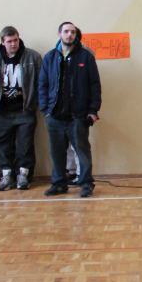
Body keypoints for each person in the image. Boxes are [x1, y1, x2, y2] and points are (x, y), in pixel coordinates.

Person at [38, 21, 101, 198]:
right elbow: (42, 84)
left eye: (72, 32)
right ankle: (59, 183)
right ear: (59, 34)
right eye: (66, 31)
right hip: (54, 116)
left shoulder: (85, 57)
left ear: (76, 35)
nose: (69, 35)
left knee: (82, 151)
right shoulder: (50, 57)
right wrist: (45, 109)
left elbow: (95, 85)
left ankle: (86, 184)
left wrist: (93, 110)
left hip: (78, 116)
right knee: (57, 153)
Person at [0, 26, 43, 191]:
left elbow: (42, 83)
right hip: (1, 111)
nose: (13, 44)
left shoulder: (33, 57)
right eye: (9, 41)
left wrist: (35, 103)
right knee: (2, 145)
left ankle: (24, 175)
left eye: (16, 40)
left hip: (25, 110)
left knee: (25, 144)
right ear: (2, 42)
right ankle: (6, 175)